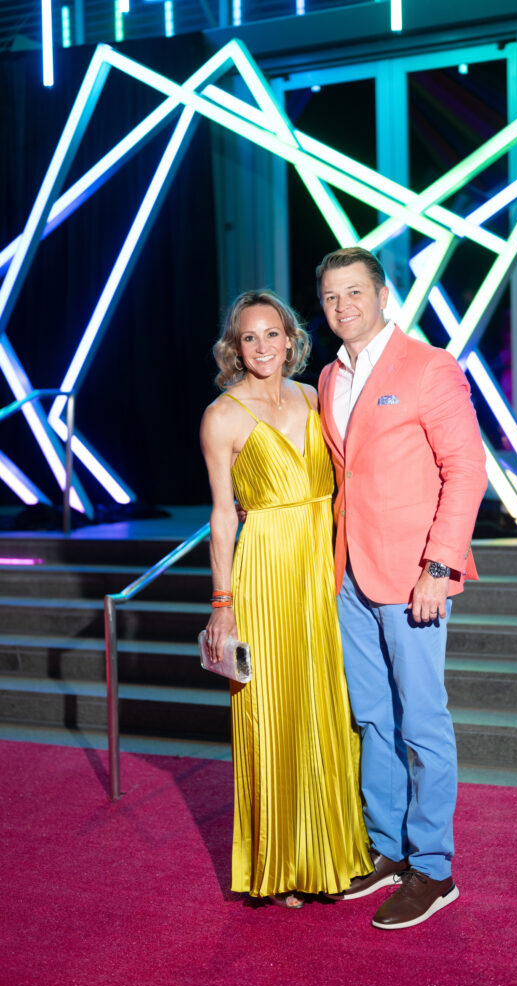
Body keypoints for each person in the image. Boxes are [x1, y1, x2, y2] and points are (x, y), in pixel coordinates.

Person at [316, 247, 488, 930]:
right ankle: (386, 849)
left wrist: (440, 567)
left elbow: (466, 469)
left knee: (421, 721)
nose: (342, 307)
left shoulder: (428, 367)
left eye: (354, 293)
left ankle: (433, 868)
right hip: (349, 576)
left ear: (383, 295)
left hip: (413, 574)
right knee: (372, 718)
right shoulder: (330, 377)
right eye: (330, 297)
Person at [200, 289, 372, 909]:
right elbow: (223, 517)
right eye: (250, 337)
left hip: (321, 575)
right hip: (265, 575)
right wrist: (223, 604)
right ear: (234, 348)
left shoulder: (313, 396)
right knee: (271, 716)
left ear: (292, 340)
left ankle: (331, 851)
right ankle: (278, 863)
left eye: (273, 334)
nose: (263, 347)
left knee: (328, 709)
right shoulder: (222, 417)